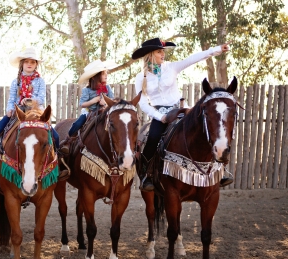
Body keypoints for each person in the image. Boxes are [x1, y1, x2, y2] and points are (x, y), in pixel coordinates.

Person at [133, 38, 233, 191]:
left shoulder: (171, 68)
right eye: (159, 52)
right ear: (150, 55)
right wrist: (161, 117)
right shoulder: (141, 77)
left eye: (163, 51)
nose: (163, 54)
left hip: (181, 109)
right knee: (152, 138)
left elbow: (194, 58)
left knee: (204, 129)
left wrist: (218, 49)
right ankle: (147, 174)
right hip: (160, 113)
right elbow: (143, 103)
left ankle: (219, 170)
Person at [0, 47, 68, 179]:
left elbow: (41, 98)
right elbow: (12, 98)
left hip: (36, 112)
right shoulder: (16, 82)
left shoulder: (40, 81)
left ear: (36, 65)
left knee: (55, 136)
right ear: (22, 64)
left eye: (33, 62)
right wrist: (10, 109)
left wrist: (30, 100)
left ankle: (59, 161)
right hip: (19, 112)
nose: (30, 64)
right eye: (27, 62)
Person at [60, 59, 117, 154]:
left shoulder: (107, 88)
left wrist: (106, 102)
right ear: (95, 76)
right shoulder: (87, 90)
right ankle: (68, 141)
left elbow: (113, 100)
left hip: (104, 112)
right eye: (103, 73)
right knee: (78, 123)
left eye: (106, 73)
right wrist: (93, 100)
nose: (106, 75)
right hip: (89, 112)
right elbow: (82, 104)